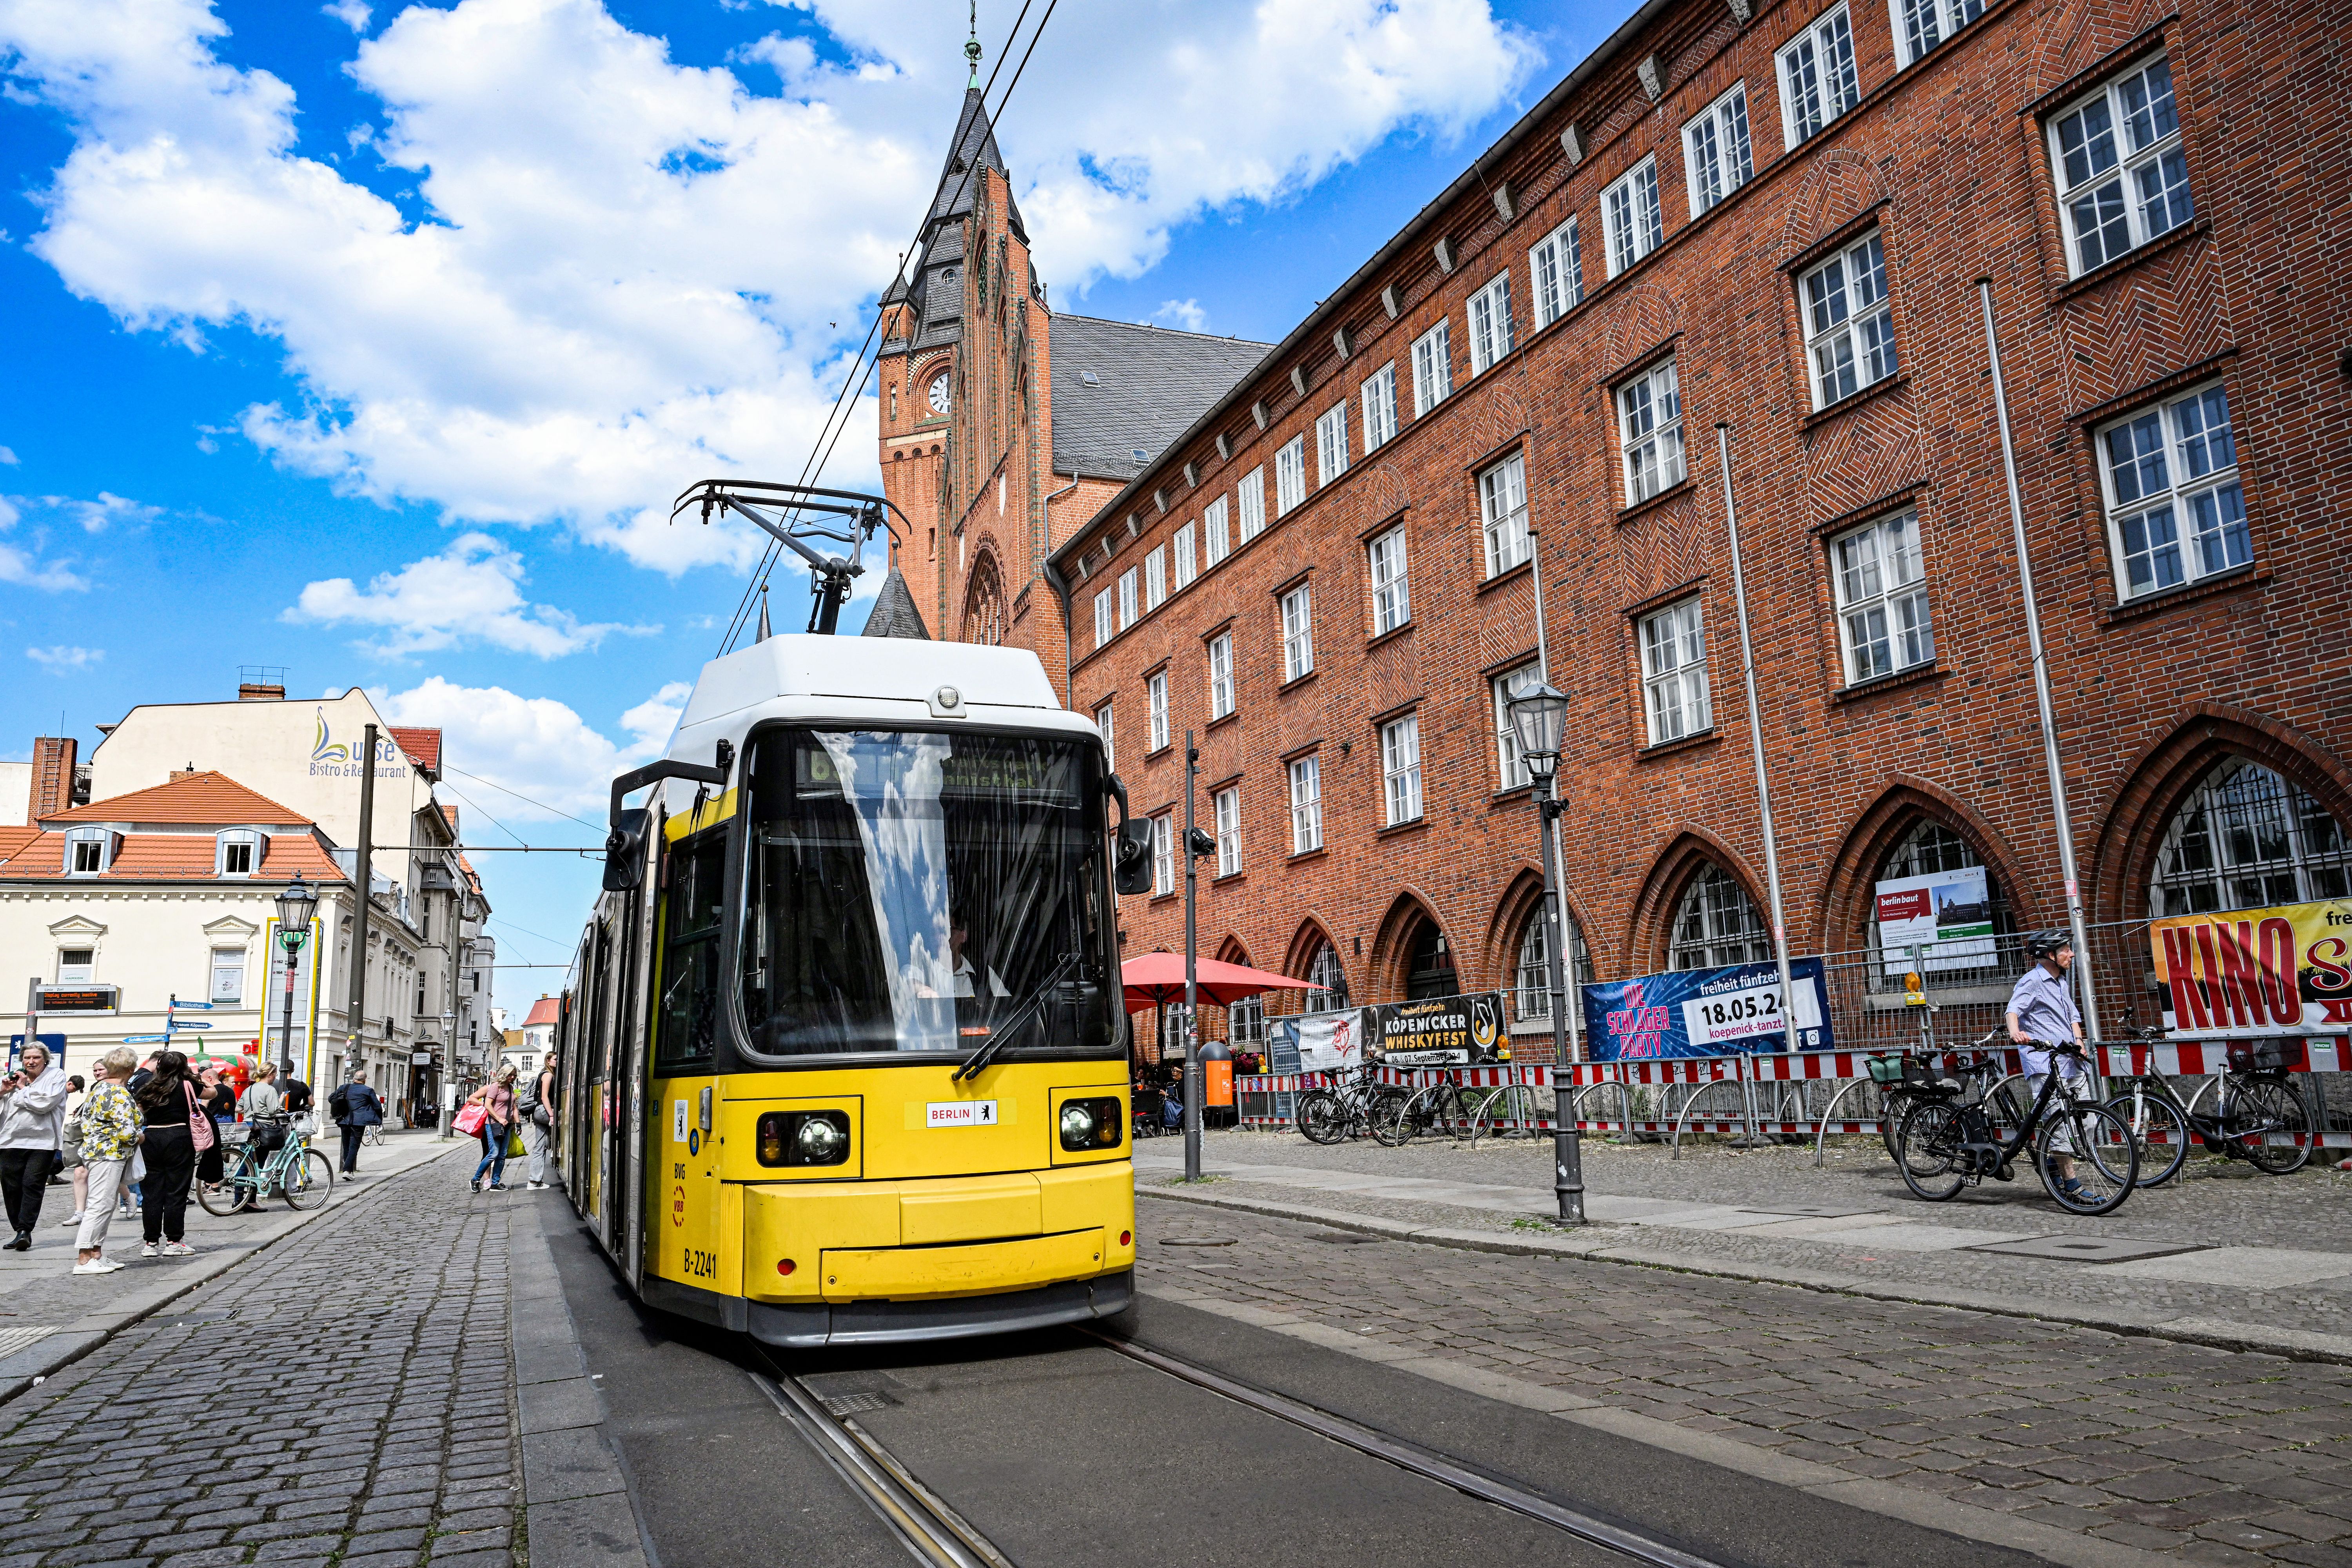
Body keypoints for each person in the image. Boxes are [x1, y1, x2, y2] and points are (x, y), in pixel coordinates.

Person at [2007, 928, 2090, 1201]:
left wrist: (2079, 1040)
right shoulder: (2032, 981)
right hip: (2045, 1062)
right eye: (2066, 950)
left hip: (2071, 1060)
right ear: (2049, 955)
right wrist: (2015, 1031)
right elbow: (2013, 1010)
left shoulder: (2061, 982)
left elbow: (2073, 1015)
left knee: (2086, 1119)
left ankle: (2052, 1166)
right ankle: (2071, 1184)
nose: (2071, 954)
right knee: (2059, 1124)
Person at [130, 1050, 205, 1258]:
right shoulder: (188, 1085)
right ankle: (174, 1241)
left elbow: (138, 1110)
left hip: (151, 1138)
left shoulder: (149, 1086)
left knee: (152, 1193)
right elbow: (212, 1093)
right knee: (176, 1191)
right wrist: (191, 1076)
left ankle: (151, 1243)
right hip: (179, 1136)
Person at [74, 1048, 142, 1274]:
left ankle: (96, 1254)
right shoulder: (119, 1093)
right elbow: (127, 1132)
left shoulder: (100, 1088)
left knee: (106, 1204)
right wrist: (140, 1136)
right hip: (109, 1154)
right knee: (99, 1205)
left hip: (96, 1152)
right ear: (130, 1069)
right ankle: (84, 1259)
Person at [0, 1043, 70, 1249]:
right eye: (27, 1058)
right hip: (9, 1140)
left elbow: (45, 1104)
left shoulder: (55, 1076)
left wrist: (22, 1090)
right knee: (11, 1187)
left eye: (36, 1058)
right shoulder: (12, 1078)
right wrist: (3, 1092)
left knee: (32, 1184)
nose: (31, 1062)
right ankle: (19, 1230)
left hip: (43, 1141)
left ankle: (25, 1230)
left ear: (45, 1060)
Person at [233, 1062, 286, 1213]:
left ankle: (243, 1200)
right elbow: (273, 1111)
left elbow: (239, 1108)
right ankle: (244, 1201)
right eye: (275, 1075)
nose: (275, 1077)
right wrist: (280, 1101)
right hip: (262, 1129)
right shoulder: (269, 1090)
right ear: (270, 1075)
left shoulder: (249, 1089)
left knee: (247, 1162)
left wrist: (252, 1108)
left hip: (248, 1126)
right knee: (255, 1165)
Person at [470, 1065, 517, 1194]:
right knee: (494, 1153)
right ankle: (475, 1179)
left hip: (508, 1125)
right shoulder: (495, 1087)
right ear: (504, 1074)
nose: (512, 1077)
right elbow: (488, 1105)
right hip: (493, 1124)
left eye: (514, 1075)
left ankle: (495, 1183)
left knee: (502, 1155)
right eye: (510, 1075)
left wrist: (516, 1123)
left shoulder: (510, 1087)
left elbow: (513, 1107)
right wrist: (499, 1118)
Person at [327, 1068, 383, 1177]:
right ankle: (347, 1170)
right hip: (359, 1122)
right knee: (354, 1146)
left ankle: (349, 1170)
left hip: (344, 1120)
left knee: (346, 1144)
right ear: (365, 1080)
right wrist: (376, 1118)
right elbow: (377, 1106)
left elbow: (331, 1098)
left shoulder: (345, 1087)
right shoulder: (368, 1091)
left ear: (354, 1079)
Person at [517, 1054, 557, 1191]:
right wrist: (552, 1115)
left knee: (540, 1146)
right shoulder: (548, 1075)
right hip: (544, 1111)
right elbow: (544, 1097)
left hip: (538, 1112)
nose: (557, 1062)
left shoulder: (542, 1074)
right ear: (548, 1061)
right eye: (555, 1060)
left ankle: (534, 1181)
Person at [54, 1075, 88, 1228]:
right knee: (78, 1172)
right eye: (73, 1089)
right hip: (81, 1138)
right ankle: (80, 1213)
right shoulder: (58, 1089)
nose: (72, 1092)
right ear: (69, 1083)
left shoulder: (65, 1092)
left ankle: (128, 1198)